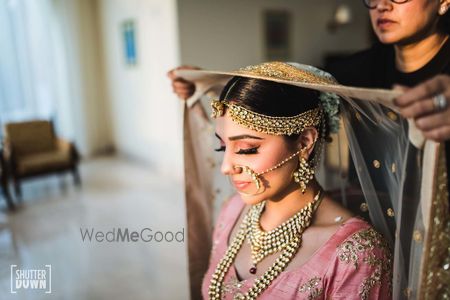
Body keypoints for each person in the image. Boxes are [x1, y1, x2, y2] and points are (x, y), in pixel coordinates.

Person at [182, 62, 392, 299]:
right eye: (222, 147)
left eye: (246, 149)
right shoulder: (232, 211)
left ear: (304, 143)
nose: (226, 167)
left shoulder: (355, 253)